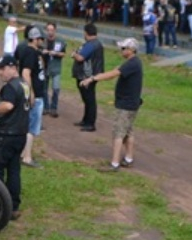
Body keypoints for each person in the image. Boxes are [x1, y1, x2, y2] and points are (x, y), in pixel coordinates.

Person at [80, 38, 143, 171]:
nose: (121, 50)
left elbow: (112, 74)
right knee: (128, 132)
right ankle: (128, 158)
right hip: (131, 103)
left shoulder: (132, 64)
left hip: (126, 105)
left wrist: (92, 78)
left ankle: (114, 164)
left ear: (131, 50)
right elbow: (114, 72)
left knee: (118, 133)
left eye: (124, 48)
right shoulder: (132, 62)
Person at [0, 54, 30, 220]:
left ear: (12, 67)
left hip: (7, 135)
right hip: (20, 134)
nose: (0, 72)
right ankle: (13, 206)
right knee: (14, 171)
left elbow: (8, 105)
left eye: (2, 68)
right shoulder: (24, 84)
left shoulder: (10, 87)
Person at [19, 26, 46, 168]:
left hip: (37, 94)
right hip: (34, 95)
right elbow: (25, 73)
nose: (42, 41)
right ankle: (27, 157)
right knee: (32, 127)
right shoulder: (30, 53)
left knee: (30, 125)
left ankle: (24, 153)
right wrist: (31, 93)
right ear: (35, 39)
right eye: (41, 38)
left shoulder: (34, 52)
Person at [71, 22, 104, 132]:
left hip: (87, 76)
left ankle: (90, 123)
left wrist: (74, 54)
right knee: (87, 99)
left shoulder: (91, 44)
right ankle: (86, 120)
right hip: (91, 74)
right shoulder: (96, 43)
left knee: (89, 100)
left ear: (86, 33)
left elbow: (80, 58)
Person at [42, 22, 66, 117]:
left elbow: (63, 54)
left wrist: (55, 53)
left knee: (56, 89)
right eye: (48, 30)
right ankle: (46, 107)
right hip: (45, 68)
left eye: (52, 30)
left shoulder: (60, 41)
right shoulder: (43, 41)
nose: (50, 32)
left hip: (56, 68)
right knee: (44, 89)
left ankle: (54, 108)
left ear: (55, 30)